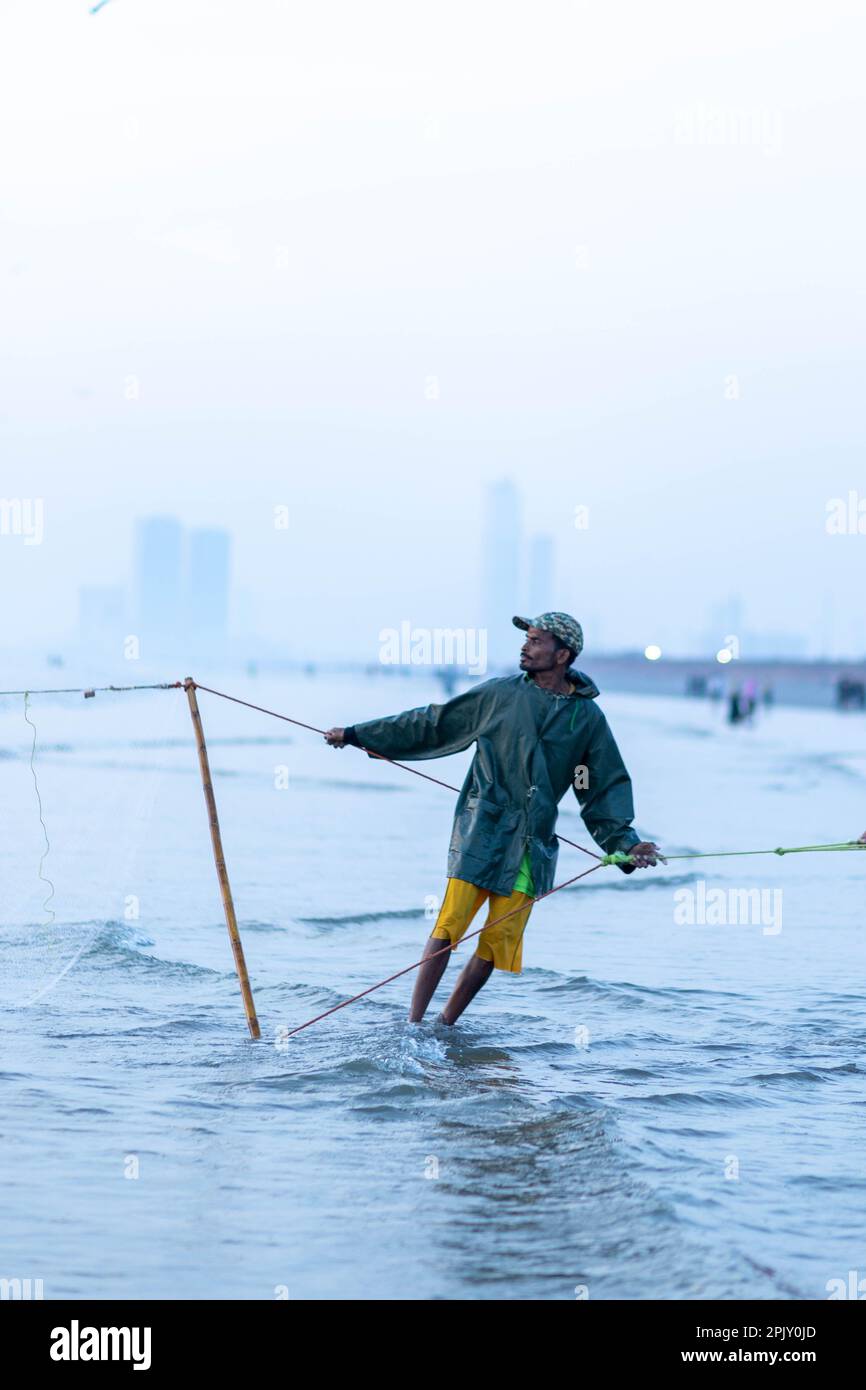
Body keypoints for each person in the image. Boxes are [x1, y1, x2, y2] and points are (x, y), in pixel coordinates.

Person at [324, 612, 663, 1026]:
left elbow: (597, 786)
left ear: (562, 655)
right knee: (449, 927)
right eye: (527, 639)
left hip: (533, 844)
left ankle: (445, 1026)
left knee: (495, 942)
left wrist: (625, 844)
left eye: (536, 640)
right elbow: (434, 724)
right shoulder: (500, 695)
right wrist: (361, 735)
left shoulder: (587, 720)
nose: (525, 646)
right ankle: (413, 1025)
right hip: (480, 831)